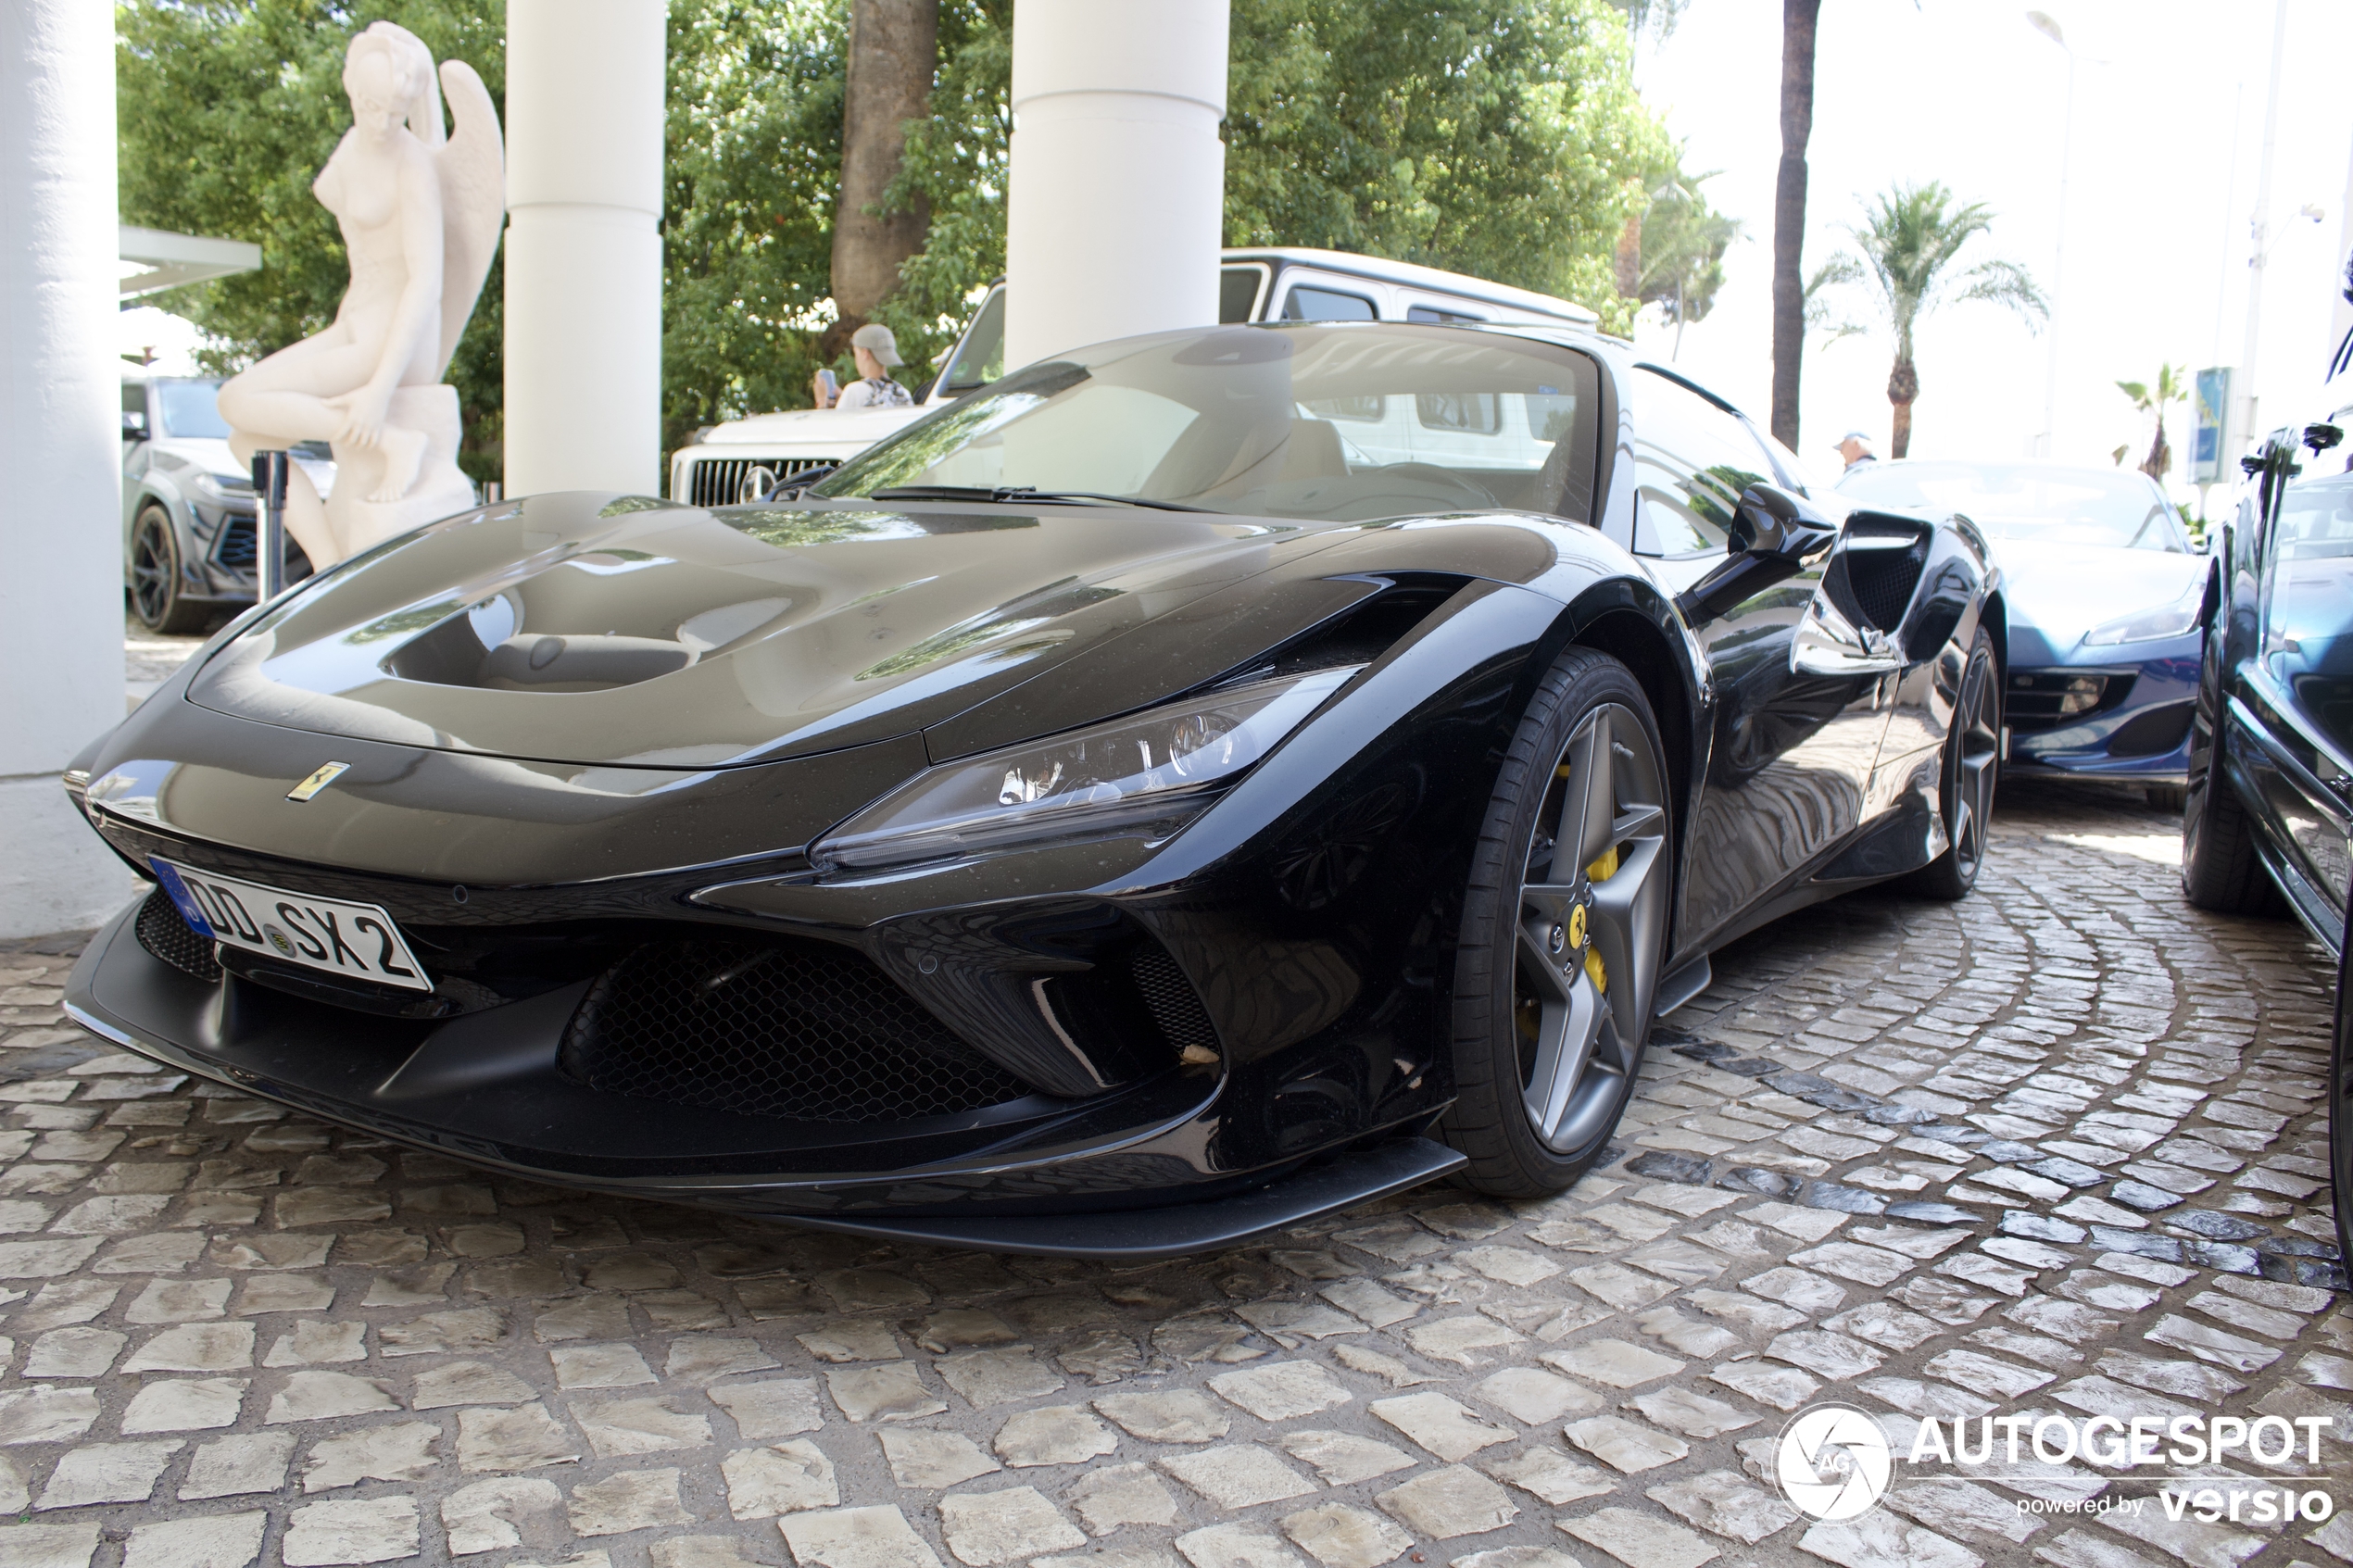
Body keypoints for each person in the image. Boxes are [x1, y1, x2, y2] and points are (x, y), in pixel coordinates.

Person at [813, 323, 915, 410]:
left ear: (865, 353)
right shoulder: (903, 393)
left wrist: (822, 401)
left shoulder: (854, 391)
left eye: (855, 353)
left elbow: (832, 431)